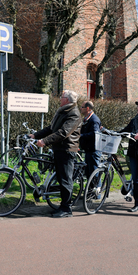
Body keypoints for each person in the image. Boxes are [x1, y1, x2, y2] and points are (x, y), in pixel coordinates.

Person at [30, 90, 82, 218]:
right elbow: (51, 128)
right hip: (59, 149)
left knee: (65, 180)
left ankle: (67, 209)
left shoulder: (74, 114)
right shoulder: (62, 111)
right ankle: (62, 205)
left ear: (67, 100)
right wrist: (35, 135)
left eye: (62, 97)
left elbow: (63, 133)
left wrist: (45, 141)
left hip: (67, 150)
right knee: (60, 178)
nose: (60, 98)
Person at [80, 101, 102, 180]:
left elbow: (94, 134)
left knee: (93, 174)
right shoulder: (87, 118)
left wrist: (81, 136)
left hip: (93, 150)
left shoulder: (93, 120)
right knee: (88, 173)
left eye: (82, 107)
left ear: (87, 108)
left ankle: (96, 191)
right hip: (88, 149)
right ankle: (89, 191)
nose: (80, 108)